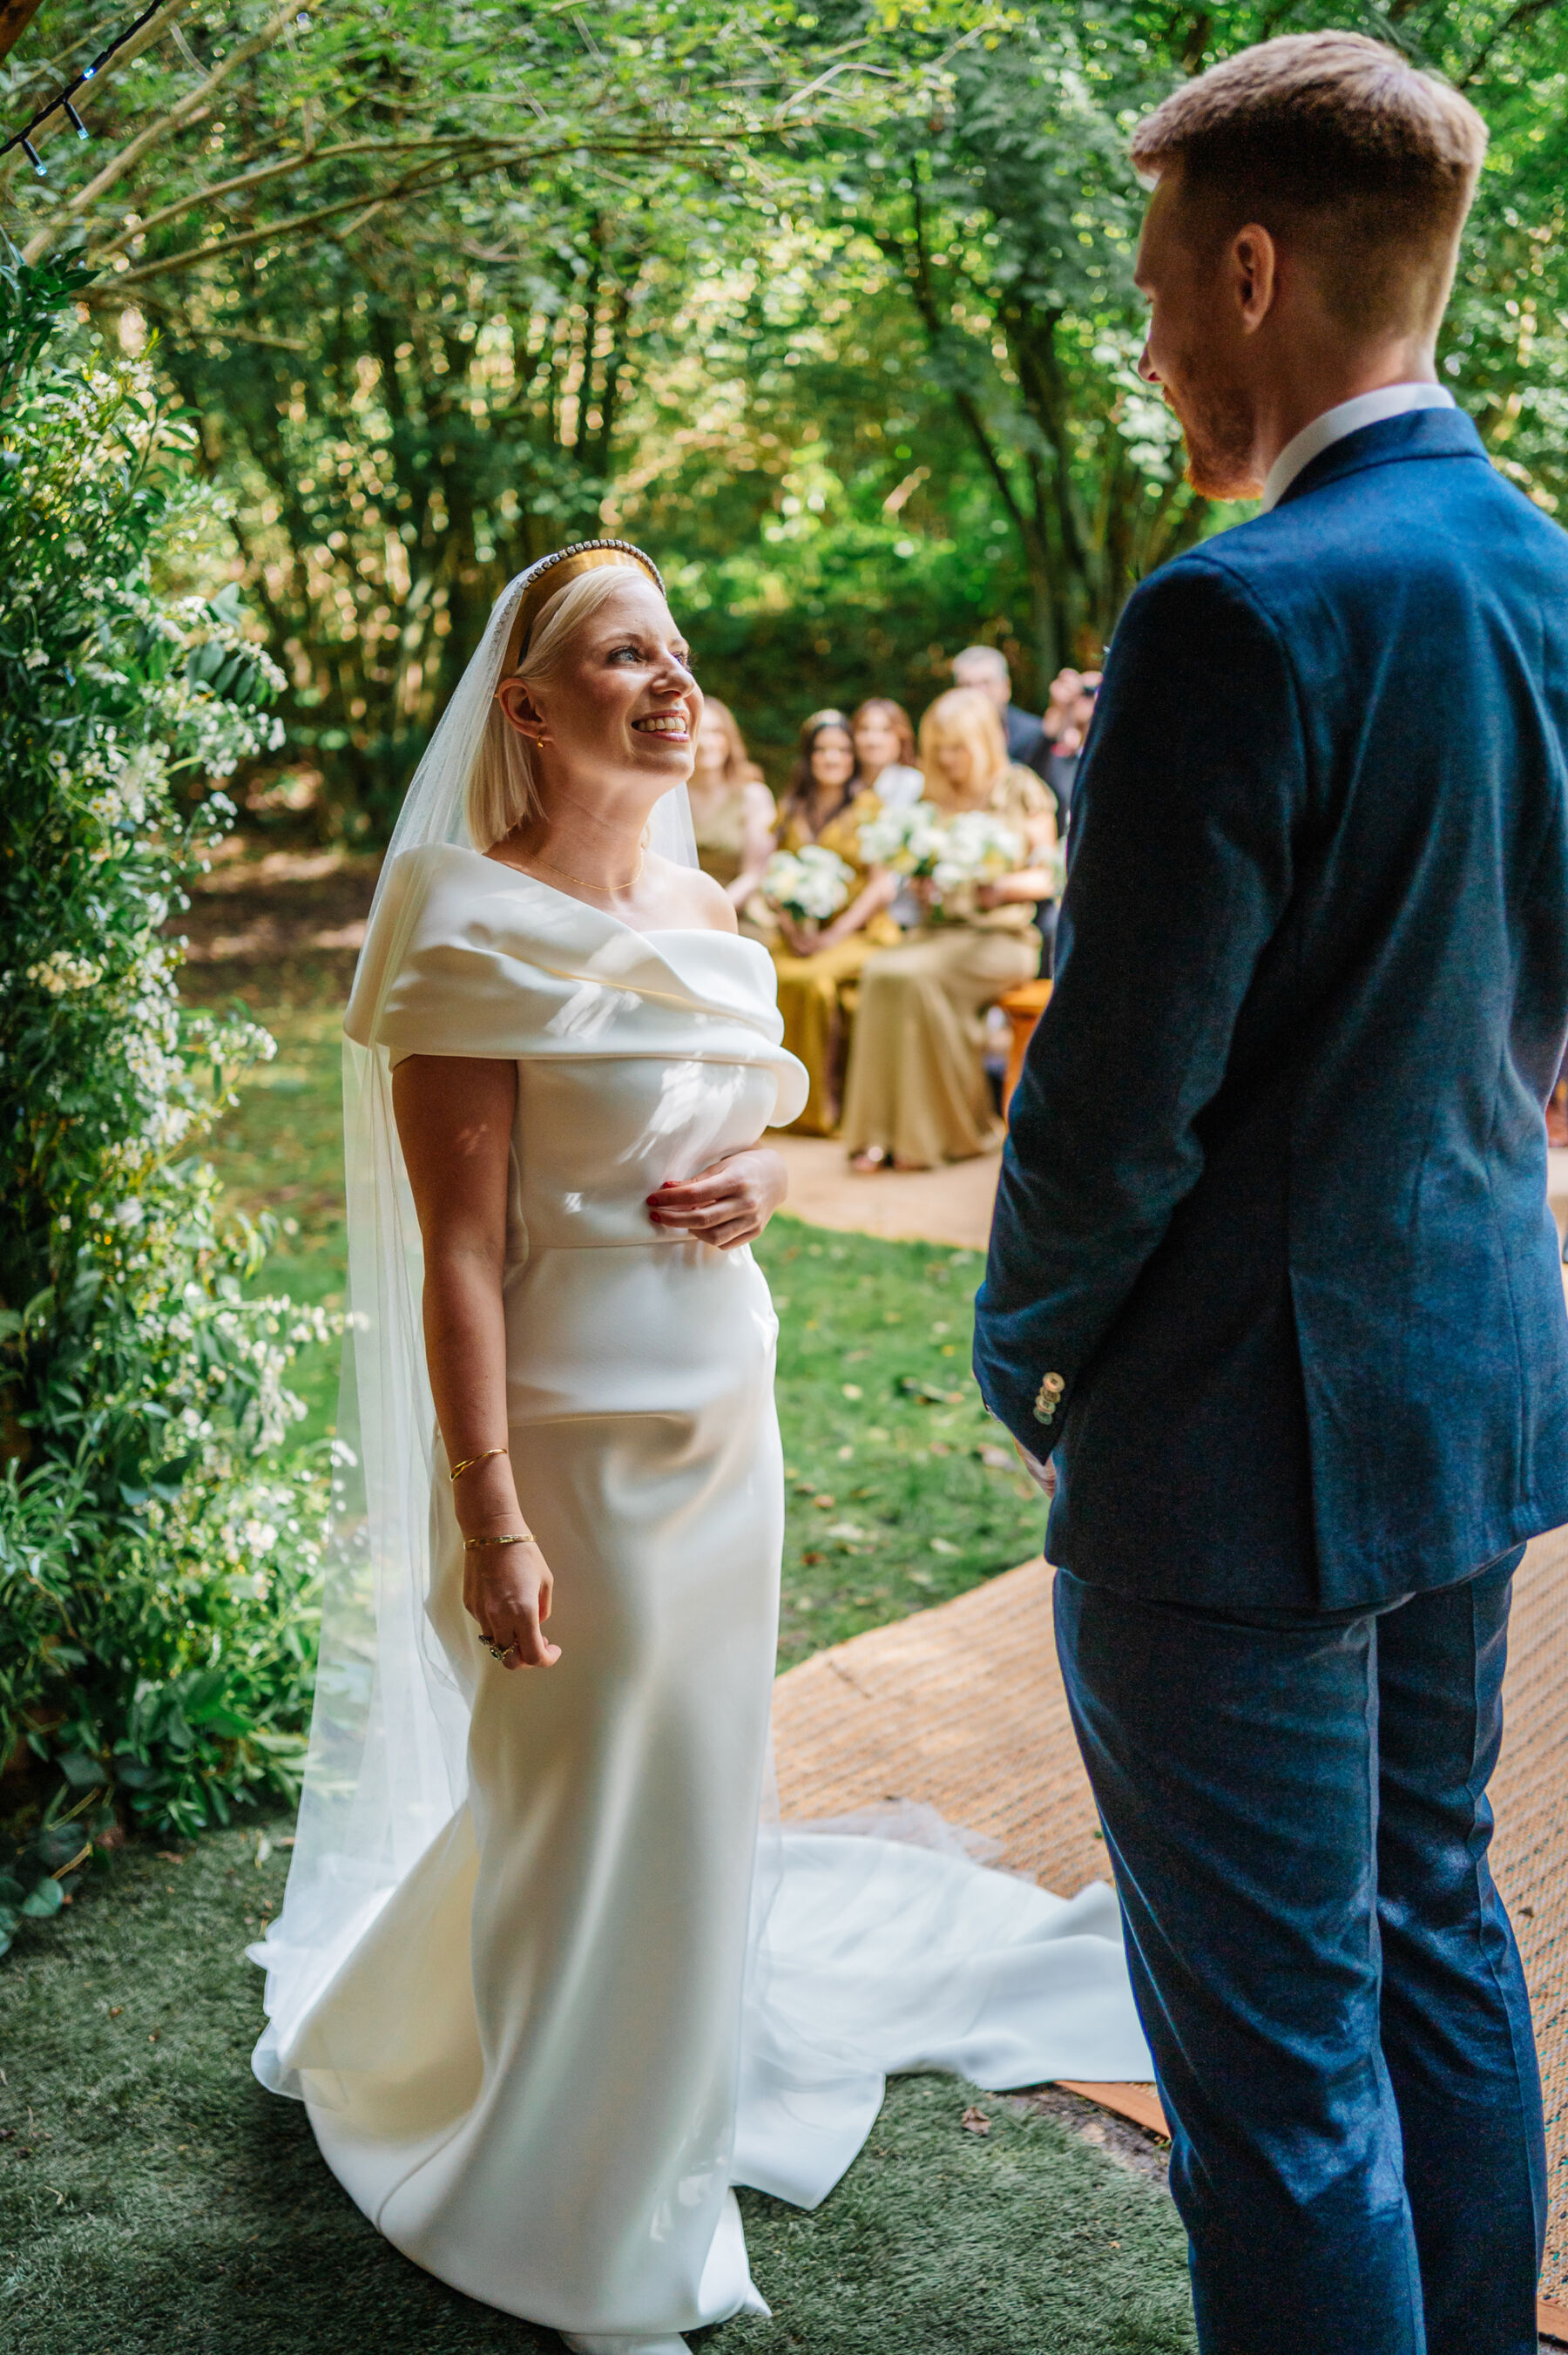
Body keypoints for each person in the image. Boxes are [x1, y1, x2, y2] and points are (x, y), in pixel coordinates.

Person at [248, 539, 1148, 2354]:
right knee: (582, 1785)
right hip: (565, 1433)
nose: (668, 678)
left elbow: (748, 1098)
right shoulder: (460, 912)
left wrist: (755, 1175)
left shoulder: (718, 911)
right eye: (616, 654)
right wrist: (490, 1510)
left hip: (722, 1405)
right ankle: (585, 2213)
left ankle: (633, 2107)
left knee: (684, 1779)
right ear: (526, 706)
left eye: (675, 646)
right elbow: (458, 1248)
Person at [975, 37, 1568, 2355]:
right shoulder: (1550, 577)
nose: (1145, 340)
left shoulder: (1238, 616)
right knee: (1438, 1918)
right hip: (1475, 1394)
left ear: (1250, 267)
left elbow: (1112, 1107)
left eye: (1152, 286)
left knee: (1275, 2052)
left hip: (1227, 1445)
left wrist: (1028, 1344)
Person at [841, 687, 1058, 1171]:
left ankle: (943, 1136)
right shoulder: (929, 794)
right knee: (881, 972)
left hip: (1001, 939)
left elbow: (1050, 874)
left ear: (982, 742)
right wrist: (920, 883)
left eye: (956, 746)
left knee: (915, 978)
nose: (946, 757)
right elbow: (913, 865)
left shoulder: (1018, 787)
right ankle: (879, 1133)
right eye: (938, 746)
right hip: (937, 933)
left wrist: (999, 888)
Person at [766, 709, 901, 1134]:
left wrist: (834, 936)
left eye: (842, 750)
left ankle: (821, 1109)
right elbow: (775, 877)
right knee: (769, 974)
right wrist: (791, 928)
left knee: (815, 983)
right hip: (798, 933)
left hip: (858, 931)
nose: (832, 759)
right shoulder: (790, 807)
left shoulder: (869, 807)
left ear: (853, 757)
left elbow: (881, 886)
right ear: (808, 757)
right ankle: (773, 1106)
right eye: (822, 750)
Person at [686, 694, 775, 933]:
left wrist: (709, 916)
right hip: (677, 911)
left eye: (717, 732)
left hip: (736, 913)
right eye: (698, 731)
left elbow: (754, 874)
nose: (707, 742)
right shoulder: (665, 795)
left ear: (729, 739)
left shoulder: (753, 796)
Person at [951, 642, 1048, 774]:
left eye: (986, 683)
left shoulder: (1034, 736)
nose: (977, 693)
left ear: (1006, 688)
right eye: (967, 685)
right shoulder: (947, 738)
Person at [850, 696, 924, 809]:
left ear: (901, 739)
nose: (873, 740)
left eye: (885, 730)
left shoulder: (914, 784)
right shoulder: (845, 785)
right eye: (865, 729)